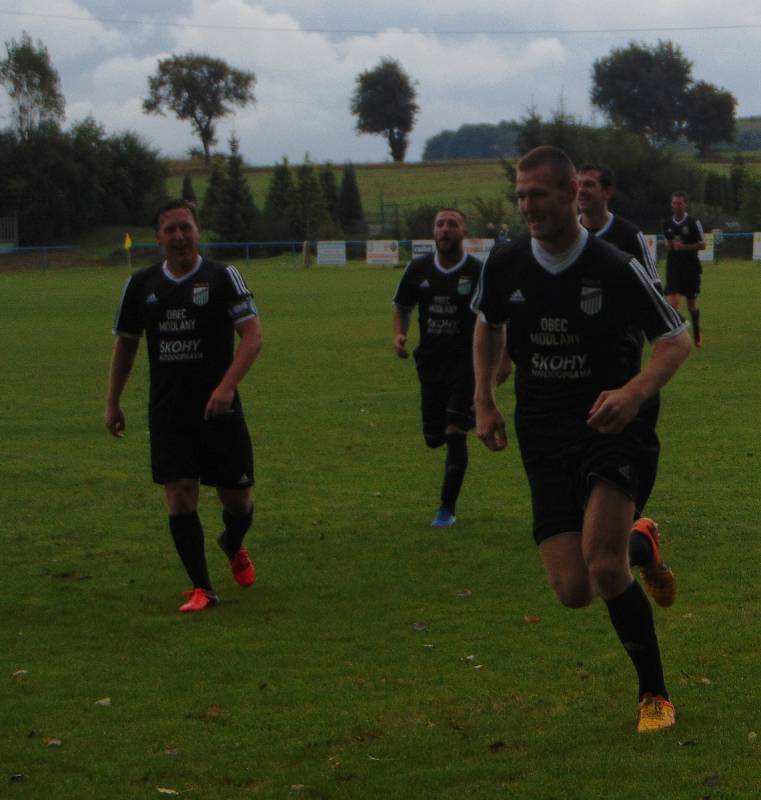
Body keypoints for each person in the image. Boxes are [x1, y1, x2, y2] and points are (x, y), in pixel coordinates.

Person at [472, 146, 691, 732]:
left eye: (537, 195)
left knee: (602, 565)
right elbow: (488, 325)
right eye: (520, 196)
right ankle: (643, 544)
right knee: (573, 588)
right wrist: (485, 401)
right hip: (543, 431)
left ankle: (655, 696)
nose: (526, 207)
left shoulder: (616, 267)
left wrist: (634, 393)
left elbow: (675, 341)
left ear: (571, 192)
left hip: (613, 427)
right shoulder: (506, 264)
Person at [105, 199, 263, 613]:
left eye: (185, 228)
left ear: (198, 231)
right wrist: (113, 402)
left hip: (219, 410)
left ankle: (232, 542)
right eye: (170, 230)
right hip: (169, 411)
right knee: (179, 494)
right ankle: (202, 588)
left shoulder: (223, 277)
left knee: (239, 502)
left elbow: (252, 337)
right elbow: (125, 346)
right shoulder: (140, 286)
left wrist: (227, 387)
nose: (179, 237)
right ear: (158, 237)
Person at [577, 163, 674, 602]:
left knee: (601, 547)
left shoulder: (629, 237)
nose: (580, 192)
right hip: (570, 380)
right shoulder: (567, 236)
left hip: (621, 377)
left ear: (607, 192)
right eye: (575, 185)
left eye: (589, 185)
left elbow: (651, 294)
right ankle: (640, 538)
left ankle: (639, 538)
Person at [392, 208, 510, 527]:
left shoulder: (478, 271)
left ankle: (447, 509)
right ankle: (460, 420)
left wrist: (504, 358)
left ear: (463, 232)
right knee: (434, 437)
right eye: (440, 224)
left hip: (468, 364)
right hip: (430, 362)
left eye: (451, 224)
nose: (444, 229)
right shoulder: (417, 269)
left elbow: (499, 317)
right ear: (434, 232)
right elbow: (403, 305)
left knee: (454, 432)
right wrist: (400, 334)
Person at [663, 191, 705, 347]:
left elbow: (702, 244)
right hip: (673, 267)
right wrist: (668, 245)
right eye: (674, 203)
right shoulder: (667, 223)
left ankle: (696, 332)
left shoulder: (693, 222)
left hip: (690, 268)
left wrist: (685, 247)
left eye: (679, 203)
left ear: (685, 204)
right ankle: (677, 335)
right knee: (672, 304)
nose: (676, 206)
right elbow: (667, 242)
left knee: (691, 306)